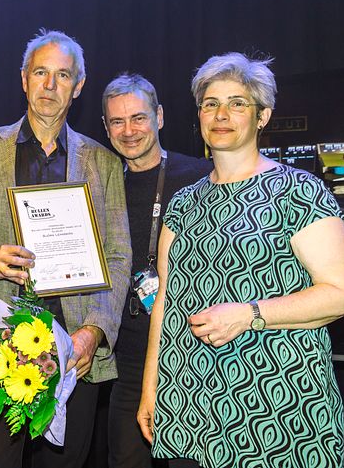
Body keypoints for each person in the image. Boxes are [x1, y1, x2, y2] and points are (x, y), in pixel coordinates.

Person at [137, 52, 344, 468]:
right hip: (189, 405)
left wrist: (249, 314)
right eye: (211, 103)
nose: (221, 114)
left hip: (280, 407)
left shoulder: (298, 191)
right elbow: (164, 302)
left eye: (237, 103)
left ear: (263, 116)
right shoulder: (183, 203)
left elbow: (342, 292)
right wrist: (151, 387)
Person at [0, 29, 132, 468]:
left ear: (79, 85)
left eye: (62, 75)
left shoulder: (104, 162)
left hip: (73, 346)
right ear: (24, 79)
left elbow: (118, 255)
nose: (50, 85)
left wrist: (95, 331)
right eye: (41, 73)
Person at [101, 73, 211, 468]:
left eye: (139, 118)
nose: (128, 131)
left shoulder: (202, 176)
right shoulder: (102, 184)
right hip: (129, 357)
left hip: (191, 356)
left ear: (160, 117)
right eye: (117, 121)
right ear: (106, 128)